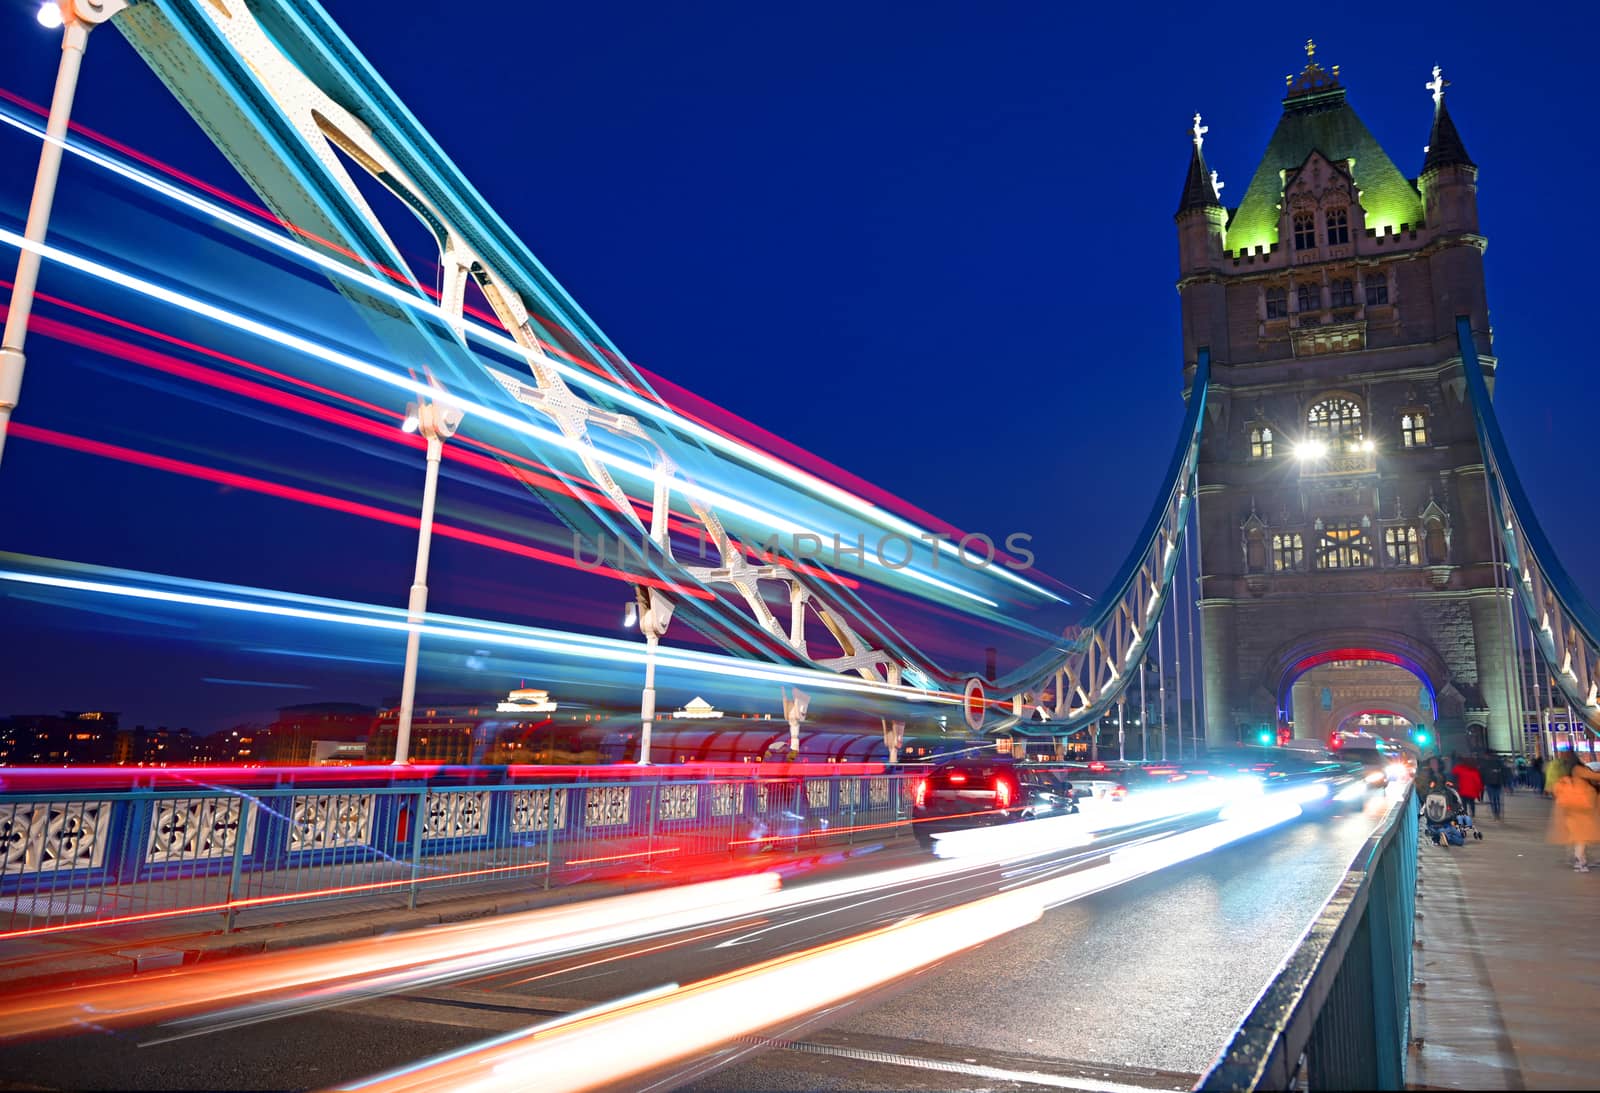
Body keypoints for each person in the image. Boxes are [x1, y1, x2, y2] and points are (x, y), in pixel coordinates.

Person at [1548, 757, 1600, 871]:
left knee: (1578, 836)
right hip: (1581, 808)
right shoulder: (1578, 769)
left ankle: (1580, 861)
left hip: (1572, 808)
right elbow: (1595, 776)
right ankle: (1581, 862)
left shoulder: (1567, 774)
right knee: (1582, 836)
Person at [1480, 754, 1506, 820]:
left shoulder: (1485, 764)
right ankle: (1497, 813)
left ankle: (1495, 813)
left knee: (1493, 799)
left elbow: (1482, 775)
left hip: (1490, 784)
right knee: (1497, 799)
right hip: (1497, 784)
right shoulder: (1499, 764)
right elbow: (1504, 774)